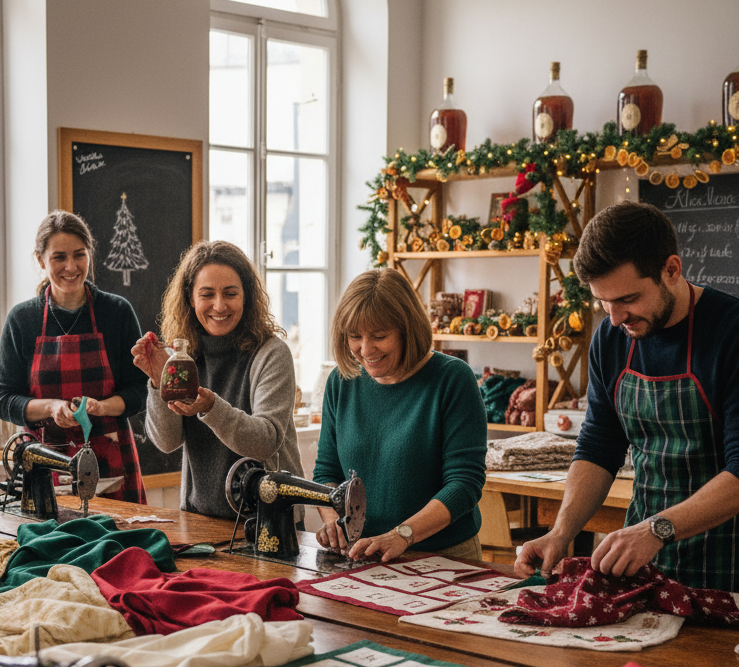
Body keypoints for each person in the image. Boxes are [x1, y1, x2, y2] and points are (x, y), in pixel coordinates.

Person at [515, 201, 739, 591]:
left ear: (671, 270)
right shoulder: (610, 338)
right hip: (645, 561)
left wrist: (657, 529)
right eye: (604, 301)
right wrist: (561, 532)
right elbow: (599, 448)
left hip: (729, 561)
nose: (615, 318)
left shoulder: (730, 332)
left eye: (628, 299)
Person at [313, 267, 487, 562]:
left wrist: (402, 535)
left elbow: (464, 484)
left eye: (379, 336)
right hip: (363, 555)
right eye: (354, 336)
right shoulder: (341, 382)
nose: (365, 349)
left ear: (408, 329)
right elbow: (327, 473)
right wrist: (332, 521)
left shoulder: (452, 379)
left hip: (443, 557)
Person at [132, 240, 304, 520]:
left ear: (246, 296)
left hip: (267, 521)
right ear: (190, 298)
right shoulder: (183, 355)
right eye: (207, 294)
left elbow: (265, 440)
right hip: (199, 518)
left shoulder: (271, 353)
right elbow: (167, 442)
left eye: (230, 293)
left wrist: (211, 408)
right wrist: (158, 382)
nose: (219, 305)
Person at [0, 210, 148, 503]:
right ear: (40, 260)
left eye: (79, 255)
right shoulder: (22, 319)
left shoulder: (116, 312)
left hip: (112, 459)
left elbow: (139, 390)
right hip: (43, 463)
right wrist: (51, 407)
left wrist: (102, 408)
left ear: (90, 253)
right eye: (59, 257)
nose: (71, 266)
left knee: (121, 545)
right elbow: (3, 401)